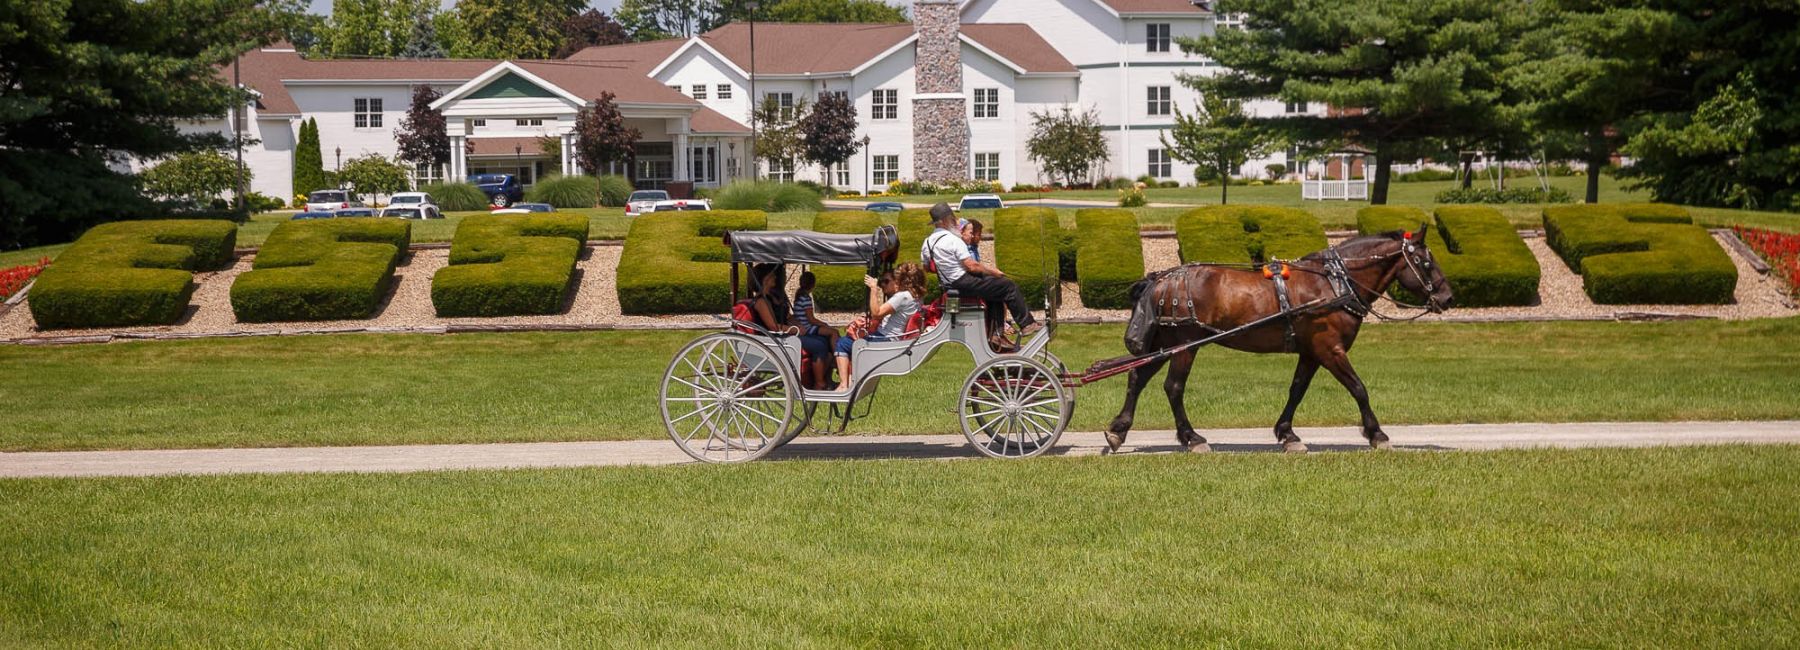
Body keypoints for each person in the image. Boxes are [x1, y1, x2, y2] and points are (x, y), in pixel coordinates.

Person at [923, 203, 1040, 342]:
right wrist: (993, 272)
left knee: (996, 290)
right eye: (951, 218)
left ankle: (996, 334)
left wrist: (945, 266)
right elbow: (971, 266)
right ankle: (1027, 324)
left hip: (948, 285)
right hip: (962, 282)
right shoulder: (953, 240)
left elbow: (927, 268)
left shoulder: (928, 243)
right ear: (943, 221)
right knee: (1008, 286)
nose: (955, 220)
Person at [833, 263, 925, 392]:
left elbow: (876, 313)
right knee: (855, 341)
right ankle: (849, 380)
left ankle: (843, 385)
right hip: (895, 340)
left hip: (886, 340)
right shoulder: (917, 298)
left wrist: (873, 289)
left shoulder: (903, 296)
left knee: (842, 343)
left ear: (904, 279)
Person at [747, 264, 831, 388]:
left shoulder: (771, 297)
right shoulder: (761, 302)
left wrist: (797, 323)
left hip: (786, 334)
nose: (775, 277)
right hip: (777, 338)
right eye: (772, 276)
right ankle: (819, 383)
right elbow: (773, 327)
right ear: (764, 279)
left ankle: (822, 377)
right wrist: (794, 329)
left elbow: (786, 317)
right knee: (819, 345)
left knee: (824, 339)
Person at [791, 271, 838, 385]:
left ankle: (830, 362)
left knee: (829, 334)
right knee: (834, 332)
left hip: (805, 325)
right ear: (813, 284)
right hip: (807, 328)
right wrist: (824, 324)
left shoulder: (799, 296)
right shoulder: (806, 298)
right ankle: (837, 359)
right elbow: (811, 319)